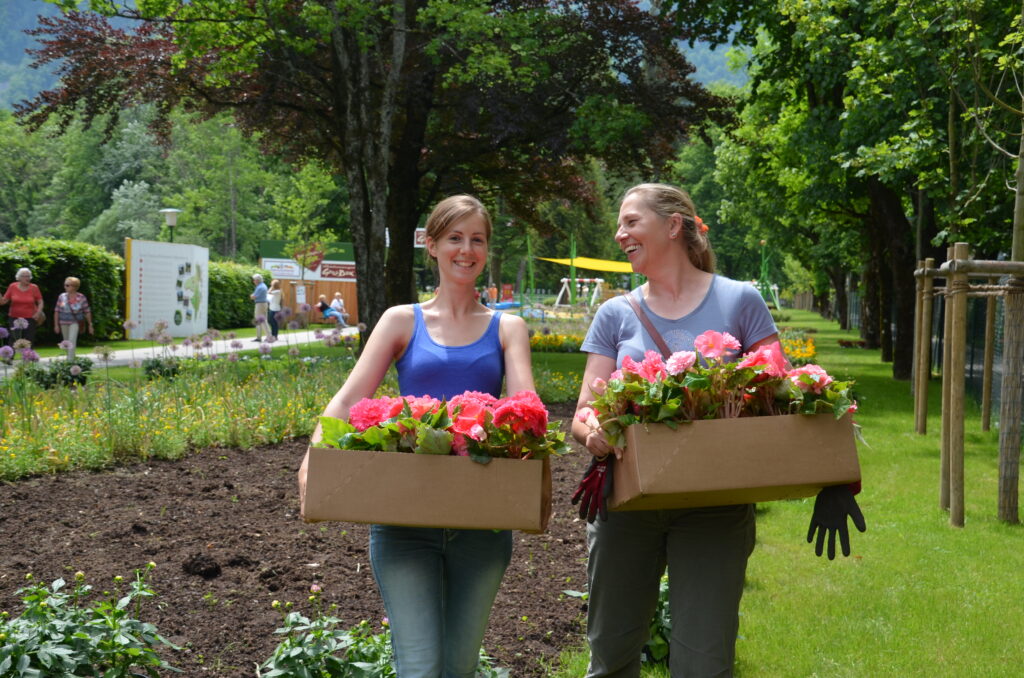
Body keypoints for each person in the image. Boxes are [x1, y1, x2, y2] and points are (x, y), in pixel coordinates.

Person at [569, 183, 864, 678]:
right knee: (611, 660)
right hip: (627, 507)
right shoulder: (615, 313)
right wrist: (593, 429)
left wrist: (835, 478)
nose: (620, 234)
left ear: (673, 226)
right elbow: (582, 410)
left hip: (716, 507)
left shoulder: (739, 300)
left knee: (704, 665)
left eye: (631, 222)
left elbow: (788, 397)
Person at [309, 194, 534, 677]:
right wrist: (314, 458)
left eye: (477, 240)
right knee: (419, 667)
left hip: (482, 519)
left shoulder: (508, 328)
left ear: (487, 250)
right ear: (430, 245)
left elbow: (525, 410)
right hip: (404, 521)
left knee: (458, 668)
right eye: (454, 238)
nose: (466, 250)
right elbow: (349, 401)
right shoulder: (401, 320)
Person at [53, 277, 94, 359]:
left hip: (75, 322)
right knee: (66, 342)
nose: (65, 287)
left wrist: (90, 325)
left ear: (75, 287)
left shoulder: (81, 297)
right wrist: (56, 325)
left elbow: (87, 311)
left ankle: (70, 361)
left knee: (72, 340)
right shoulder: (62, 296)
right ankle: (70, 358)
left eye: (68, 285)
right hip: (63, 322)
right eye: (65, 285)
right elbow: (57, 311)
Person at [1, 267, 44, 344]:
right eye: (24, 276)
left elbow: (40, 302)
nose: (27, 278)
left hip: (30, 318)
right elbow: (3, 302)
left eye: (28, 276)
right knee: (14, 338)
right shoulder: (12, 286)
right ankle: (10, 355)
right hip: (14, 317)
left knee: (29, 340)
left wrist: (38, 313)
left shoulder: (34, 287)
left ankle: (28, 355)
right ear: (19, 278)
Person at [250, 274, 271, 342]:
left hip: (260, 304)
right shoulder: (263, 286)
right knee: (261, 320)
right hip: (263, 304)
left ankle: (268, 337)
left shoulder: (260, 287)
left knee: (261, 320)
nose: (253, 281)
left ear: (257, 280)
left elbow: (254, 297)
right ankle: (259, 337)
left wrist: (251, 296)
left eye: (254, 280)